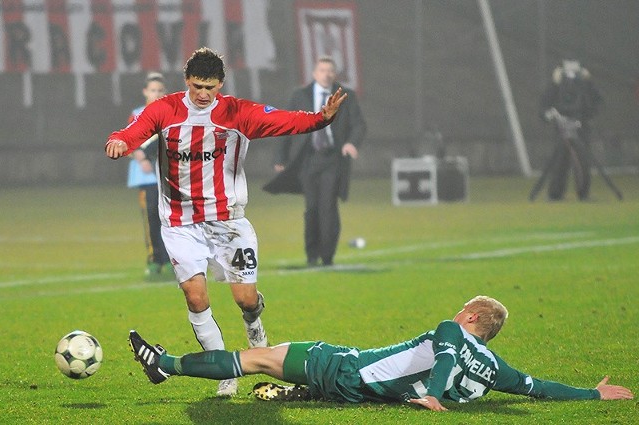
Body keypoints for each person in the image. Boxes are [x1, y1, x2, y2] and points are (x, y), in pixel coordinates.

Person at [106, 47, 348, 396]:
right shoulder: (165, 109)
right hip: (180, 222)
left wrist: (320, 119)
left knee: (245, 300)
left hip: (227, 221)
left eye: (210, 87)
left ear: (221, 84)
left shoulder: (238, 113)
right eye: (196, 86)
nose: (203, 94)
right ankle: (224, 371)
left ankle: (256, 325)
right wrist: (118, 141)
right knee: (195, 297)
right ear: (186, 82)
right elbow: (135, 130)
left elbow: (284, 120)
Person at [128, 295, 633, 410]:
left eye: (464, 308)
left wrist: (435, 396)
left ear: (474, 317)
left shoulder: (450, 332)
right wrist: (592, 393)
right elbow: (537, 389)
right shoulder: (498, 368)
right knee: (289, 374)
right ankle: (299, 393)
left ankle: (164, 366)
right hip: (366, 394)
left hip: (347, 367)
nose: (458, 312)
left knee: (254, 356)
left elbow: (448, 356)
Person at [264, 56, 366, 267]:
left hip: (333, 159)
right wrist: (281, 156)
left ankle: (327, 256)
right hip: (307, 160)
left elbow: (358, 125)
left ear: (334, 73)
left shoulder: (346, 96)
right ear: (314, 73)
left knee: (328, 207)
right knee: (311, 208)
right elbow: (286, 124)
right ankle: (312, 255)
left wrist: (351, 143)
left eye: (330, 70)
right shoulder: (300, 95)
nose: (326, 74)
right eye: (322, 70)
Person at [126, 72, 171, 281]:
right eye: (153, 90)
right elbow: (129, 139)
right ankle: (154, 260)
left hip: (167, 176)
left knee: (169, 219)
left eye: (160, 90)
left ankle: (171, 260)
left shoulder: (169, 113)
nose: (156, 94)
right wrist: (141, 158)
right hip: (146, 178)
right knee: (151, 219)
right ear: (145, 92)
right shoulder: (137, 114)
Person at [539, 59, 603, 201]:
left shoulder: (585, 86)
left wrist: (588, 82)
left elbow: (597, 101)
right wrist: (555, 84)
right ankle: (555, 194)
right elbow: (544, 105)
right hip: (561, 128)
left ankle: (583, 193)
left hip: (581, 127)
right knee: (559, 162)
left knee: (582, 162)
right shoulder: (556, 86)